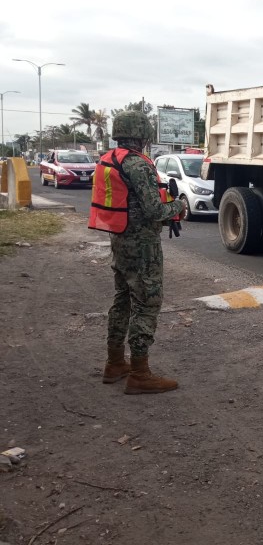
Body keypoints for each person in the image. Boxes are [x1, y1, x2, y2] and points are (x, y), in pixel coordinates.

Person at [88, 110, 186, 394]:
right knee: (146, 303)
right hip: (143, 246)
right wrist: (178, 206)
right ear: (143, 135)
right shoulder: (138, 165)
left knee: (123, 300)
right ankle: (140, 374)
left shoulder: (111, 161)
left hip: (119, 240)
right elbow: (155, 210)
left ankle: (115, 362)